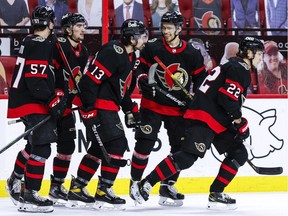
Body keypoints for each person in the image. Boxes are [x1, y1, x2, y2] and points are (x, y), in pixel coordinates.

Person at [130, 37, 265, 210]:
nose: (261, 58)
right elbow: (227, 97)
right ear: (249, 53)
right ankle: (146, 184)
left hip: (218, 119)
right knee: (187, 157)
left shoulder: (233, 65)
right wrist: (239, 121)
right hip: (205, 117)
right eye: (259, 54)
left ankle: (216, 194)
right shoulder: (240, 68)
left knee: (238, 153)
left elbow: (225, 99)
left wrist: (236, 124)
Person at [65, 19, 148, 210]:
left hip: (108, 106)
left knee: (97, 149)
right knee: (117, 145)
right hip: (98, 106)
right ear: (131, 38)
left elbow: (120, 91)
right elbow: (89, 82)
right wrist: (88, 109)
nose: (144, 39)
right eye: (141, 36)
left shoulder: (130, 56)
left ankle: (77, 188)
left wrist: (131, 109)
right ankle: (104, 191)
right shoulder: (113, 51)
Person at [129, 11, 207, 207]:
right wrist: (141, 80)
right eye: (163, 27)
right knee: (144, 145)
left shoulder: (192, 53)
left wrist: (196, 100)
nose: (165, 31)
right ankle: (135, 183)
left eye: (170, 28)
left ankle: (167, 186)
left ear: (179, 29)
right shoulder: (152, 47)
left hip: (178, 109)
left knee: (179, 150)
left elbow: (201, 81)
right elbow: (139, 69)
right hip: (152, 105)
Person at [6, 6, 66, 213]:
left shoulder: (29, 40)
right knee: (42, 148)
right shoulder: (41, 44)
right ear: (50, 23)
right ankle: (29, 194)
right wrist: (52, 100)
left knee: (34, 145)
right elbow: (36, 79)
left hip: (24, 100)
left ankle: (14, 179)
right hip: (33, 102)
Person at [48, 13, 89, 205]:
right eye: (79, 25)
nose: (83, 29)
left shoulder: (85, 52)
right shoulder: (57, 46)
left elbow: (79, 81)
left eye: (84, 25)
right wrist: (55, 94)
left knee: (67, 146)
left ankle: (56, 186)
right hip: (49, 105)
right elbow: (47, 73)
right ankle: (16, 179)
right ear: (67, 29)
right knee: (37, 146)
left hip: (66, 107)